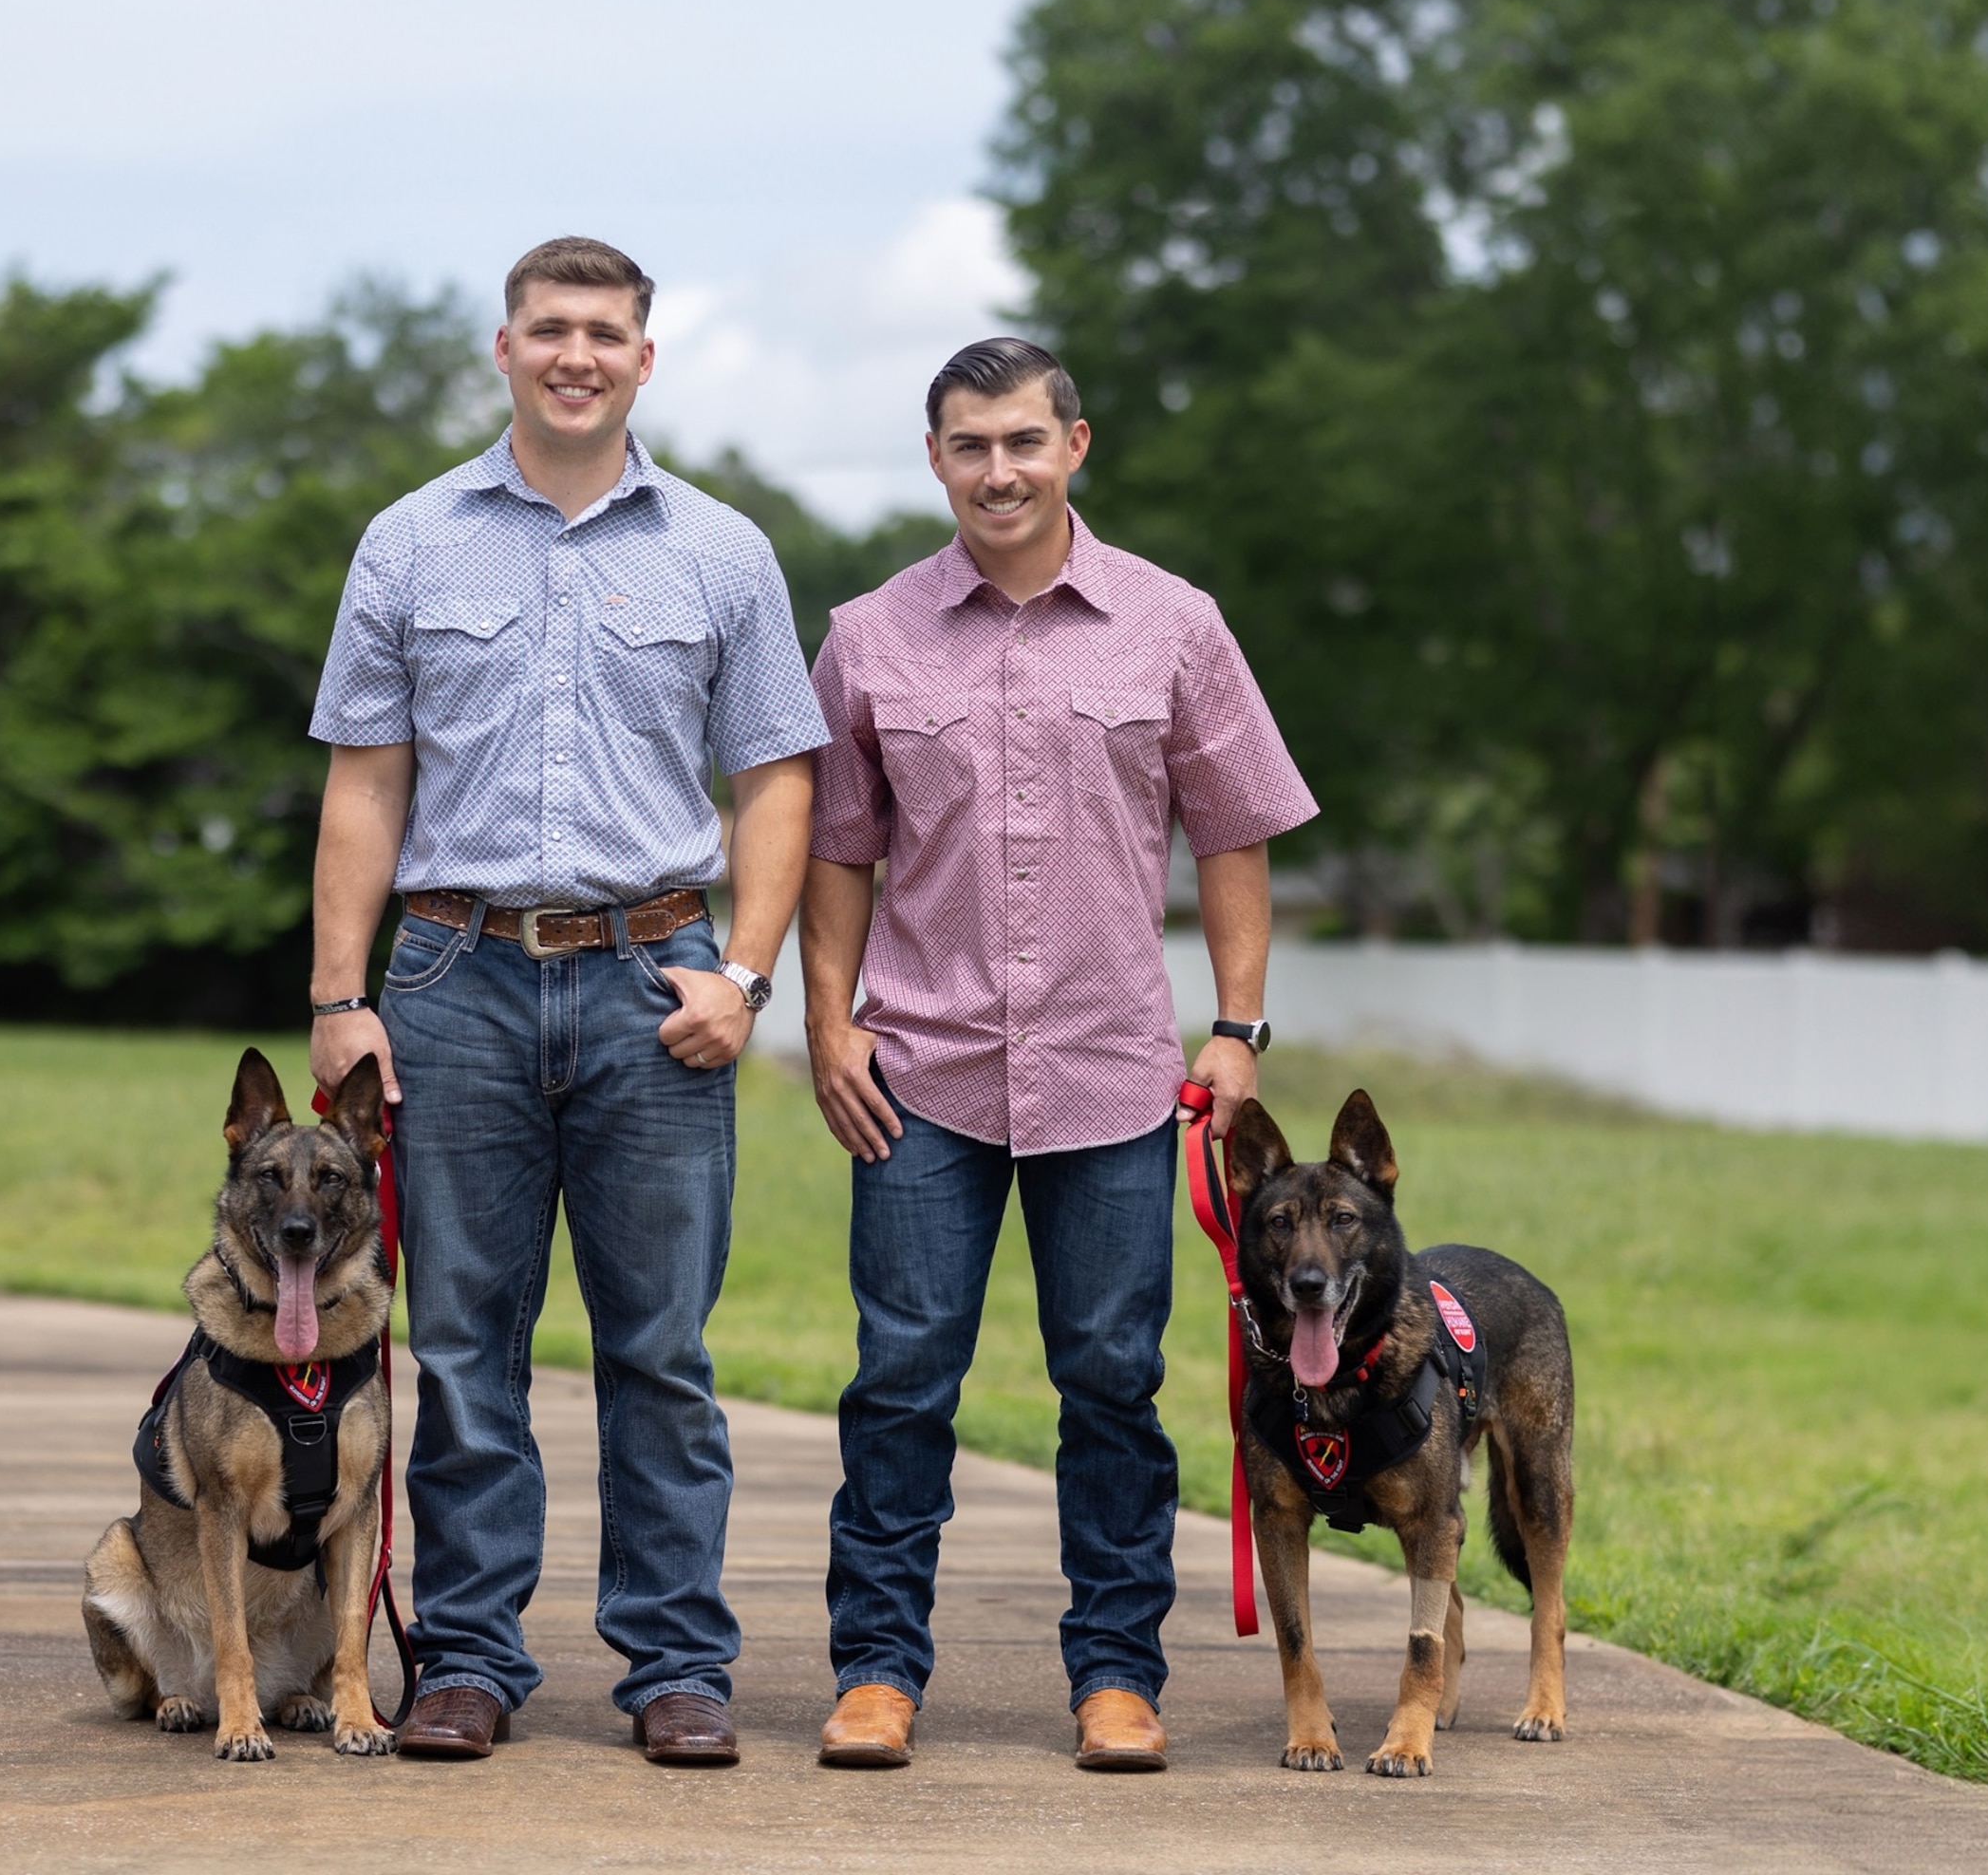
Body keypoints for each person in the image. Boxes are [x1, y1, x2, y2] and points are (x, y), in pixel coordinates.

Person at [304, 235, 826, 1768]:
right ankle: (469, 1658)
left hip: (652, 981)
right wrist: (341, 996)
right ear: (506, 350)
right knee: (465, 1346)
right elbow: (364, 780)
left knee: (660, 1351)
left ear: (645, 359)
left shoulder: (721, 551)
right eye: (550, 330)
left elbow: (778, 779)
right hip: (452, 980)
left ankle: (677, 1666)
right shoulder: (409, 542)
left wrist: (747, 976)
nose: (576, 354)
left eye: (605, 332)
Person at [800, 337, 1317, 1772]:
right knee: (901, 1377)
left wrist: (1237, 1026)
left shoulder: (1174, 624)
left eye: (1023, 440)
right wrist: (827, 1017)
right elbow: (840, 850)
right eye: (969, 445)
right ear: (935, 460)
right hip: (923, 1070)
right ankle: (878, 1671)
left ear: (1074, 446)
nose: (998, 470)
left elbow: (1234, 831)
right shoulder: (870, 634)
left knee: (1111, 1379)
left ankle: (1115, 1678)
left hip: (1107, 1070)